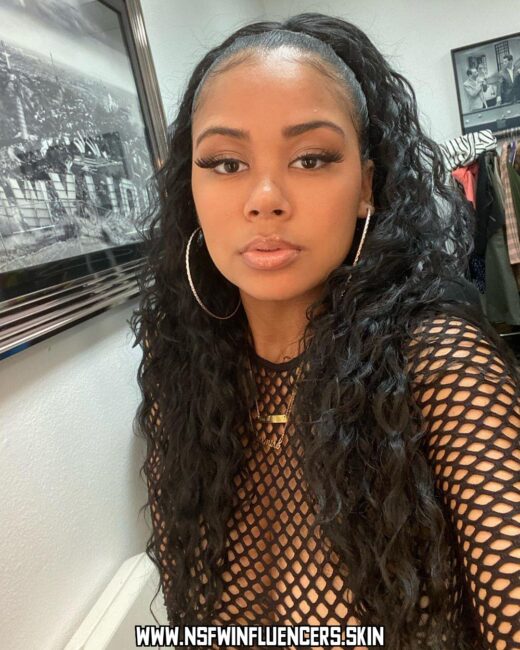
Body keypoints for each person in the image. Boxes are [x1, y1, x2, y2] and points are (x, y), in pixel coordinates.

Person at [131, 13, 520, 650]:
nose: (264, 197)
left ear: (365, 186)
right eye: (226, 162)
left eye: (311, 158)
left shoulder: (439, 367)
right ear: (190, 189)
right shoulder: (186, 383)